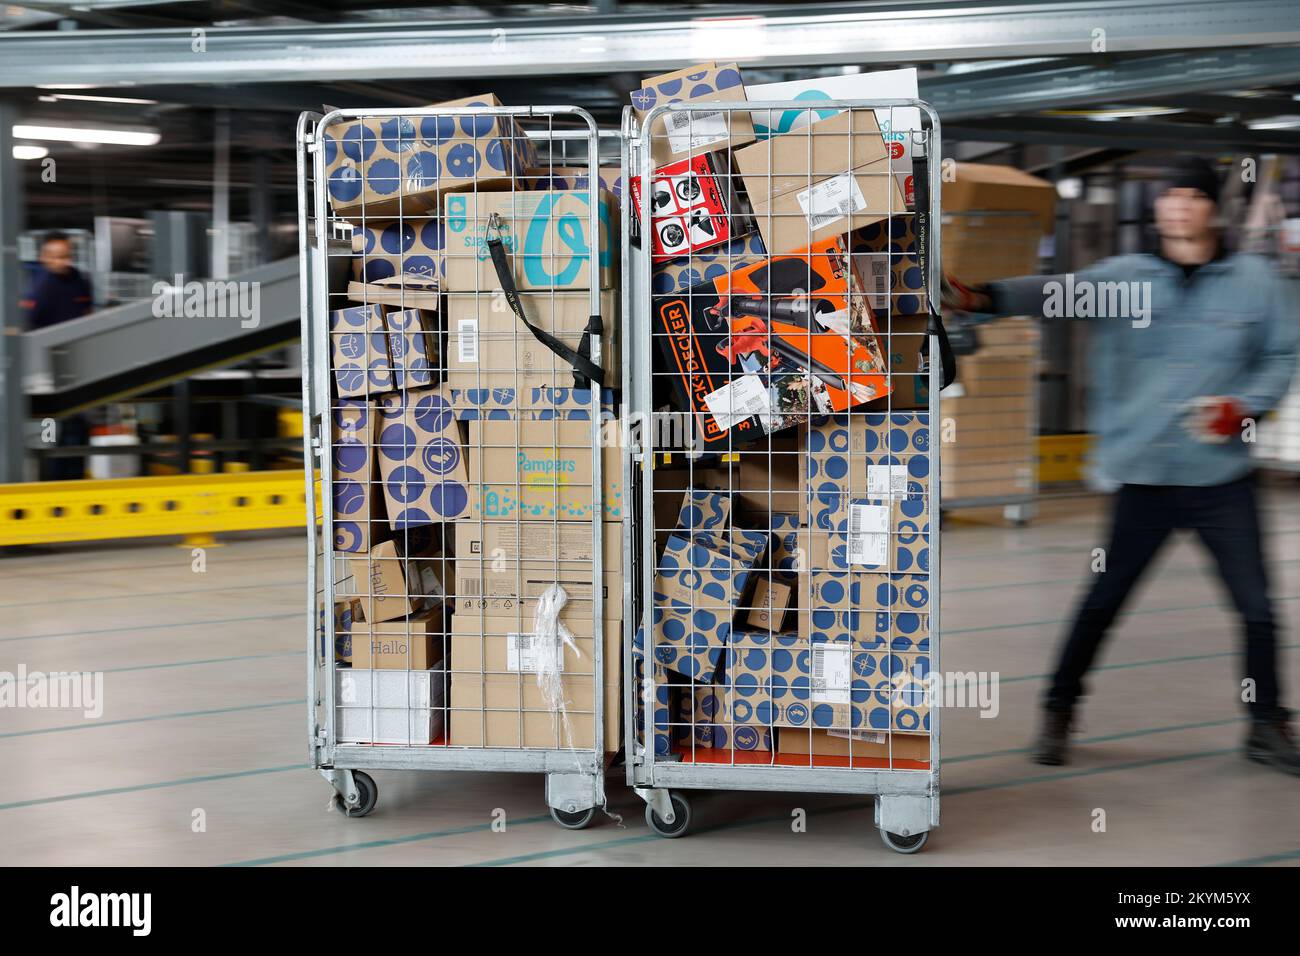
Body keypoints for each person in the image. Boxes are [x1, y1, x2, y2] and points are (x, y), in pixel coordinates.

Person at [943, 157, 1300, 776]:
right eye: (1169, 196)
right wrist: (982, 298)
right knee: (1104, 600)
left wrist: (1245, 409)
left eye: (1191, 196)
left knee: (1259, 608)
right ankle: (1058, 710)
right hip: (1145, 477)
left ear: (1212, 207)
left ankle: (1266, 725)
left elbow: (1280, 354)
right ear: (1158, 208)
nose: (1178, 206)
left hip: (1221, 479)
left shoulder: (1255, 282)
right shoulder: (1128, 280)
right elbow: (1055, 293)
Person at [21, 231, 94, 479]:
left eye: (65, 256)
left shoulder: (79, 279)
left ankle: (74, 486)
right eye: (54, 257)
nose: (61, 262)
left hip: (77, 371)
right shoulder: (39, 287)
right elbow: (28, 328)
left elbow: (86, 315)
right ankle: (50, 487)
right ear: (44, 258)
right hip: (47, 377)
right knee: (50, 435)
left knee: (77, 433)